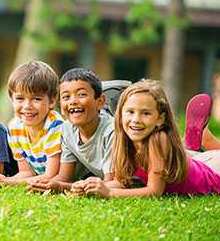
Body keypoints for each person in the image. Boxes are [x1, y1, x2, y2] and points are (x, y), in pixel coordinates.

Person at [72, 79, 220, 197]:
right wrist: (89, 185)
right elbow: (122, 182)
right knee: (199, 156)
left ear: (160, 119)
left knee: (210, 158)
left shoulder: (158, 140)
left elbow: (154, 191)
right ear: (120, 115)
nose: (136, 119)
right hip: (196, 163)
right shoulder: (124, 141)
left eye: (146, 113)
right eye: (130, 112)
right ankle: (199, 143)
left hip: (214, 178)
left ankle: (205, 141)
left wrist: (109, 193)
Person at [0, 61, 63, 189]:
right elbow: (26, 172)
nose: (27, 106)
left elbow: (51, 175)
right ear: (11, 99)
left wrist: (5, 182)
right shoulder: (15, 127)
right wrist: (2, 179)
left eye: (36, 99)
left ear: (51, 101)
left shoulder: (55, 125)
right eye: (20, 98)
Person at [28, 68, 114, 193]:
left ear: (100, 102)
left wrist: (64, 187)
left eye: (81, 95)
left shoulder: (111, 131)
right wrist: (47, 184)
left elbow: (109, 183)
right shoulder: (66, 129)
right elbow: (65, 177)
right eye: (66, 97)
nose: (73, 101)